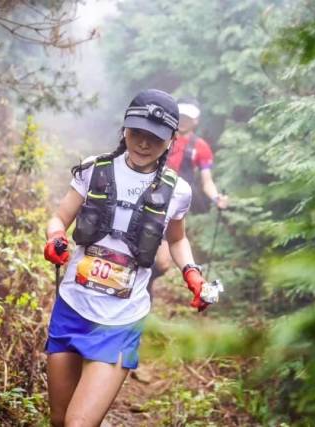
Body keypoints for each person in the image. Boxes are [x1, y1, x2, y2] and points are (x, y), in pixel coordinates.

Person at [42, 89, 211, 427]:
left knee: (78, 423)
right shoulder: (93, 169)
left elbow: (177, 240)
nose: (144, 143)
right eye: (137, 133)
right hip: (72, 307)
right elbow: (59, 219)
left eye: (154, 137)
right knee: (59, 420)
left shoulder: (177, 191)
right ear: (125, 129)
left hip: (120, 321)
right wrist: (55, 239)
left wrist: (191, 273)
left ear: (171, 140)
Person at [148, 97, 228, 288]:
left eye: (187, 117)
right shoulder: (160, 135)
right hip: (147, 198)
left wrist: (217, 198)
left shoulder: (200, 147)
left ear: (196, 120)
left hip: (171, 207)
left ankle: (144, 282)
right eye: (180, 115)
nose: (183, 120)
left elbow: (206, 181)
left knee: (163, 263)